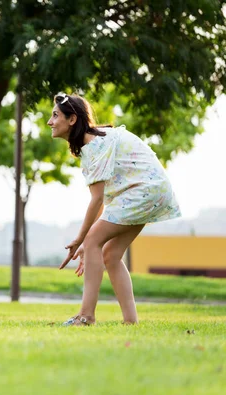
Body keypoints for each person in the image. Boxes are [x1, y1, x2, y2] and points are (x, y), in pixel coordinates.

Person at [48, 93, 181, 326]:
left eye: (55, 115)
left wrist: (83, 241)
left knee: (93, 242)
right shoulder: (95, 142)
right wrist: (91, 246)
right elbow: (102, 202)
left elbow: (97, 199)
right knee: (109, 254)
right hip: (151, 191)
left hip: (143, 191)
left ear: (72, 120)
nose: (50, 122)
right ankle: (131, 322)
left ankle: (86, 316)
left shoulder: (93, 145)